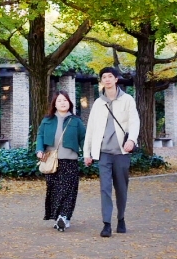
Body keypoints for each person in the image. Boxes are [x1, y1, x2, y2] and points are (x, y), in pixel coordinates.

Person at [83, 67, 141, 237]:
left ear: (116, 79)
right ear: (101, 81)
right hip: (103, 153)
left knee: (121, 188)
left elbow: (134, 122)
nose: (107, 79)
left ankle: (121, 218)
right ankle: (106, 223)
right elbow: (91, 129)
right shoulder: (98, 103)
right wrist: (87, 153)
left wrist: (132, 140)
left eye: (110, 76)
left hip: (122, 152)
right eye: (104, 77)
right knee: (105, 188)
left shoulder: (127, 100)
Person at [36, 91, 85, 232]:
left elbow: (83, 138)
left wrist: (88, 154)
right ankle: (58, 217)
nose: (62, 103)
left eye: (65, 100)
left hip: (70, 161)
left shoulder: (76, 120)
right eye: (59, 101)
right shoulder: (47, 120)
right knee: (55, 190)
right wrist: (39, 150)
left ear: (69, 103)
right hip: (51, 161)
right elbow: (40, 136)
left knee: (68, 190)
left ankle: (64, 217)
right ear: (54, 104)